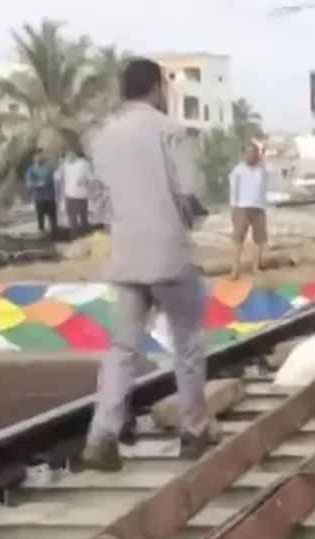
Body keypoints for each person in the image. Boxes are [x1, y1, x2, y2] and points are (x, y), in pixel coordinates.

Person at [79, 58, 217, 471]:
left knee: (122, 348)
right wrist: (189, 216)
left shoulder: (101, 138)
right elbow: (188, 190)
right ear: (157, 88)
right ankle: (194, 431)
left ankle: (101, 438)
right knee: (188, 342)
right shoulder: (170, 131)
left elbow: (96, 205)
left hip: (124, 255)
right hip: (168, 255)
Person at [228, 142, 268, 279]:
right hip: (242, 207)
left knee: (259, 239)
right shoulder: (238, 170)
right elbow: (234, 190)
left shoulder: (262, 168)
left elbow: (264, 154)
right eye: (248, 152)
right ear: (244, 154)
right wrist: (233, 208)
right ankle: (235, 270)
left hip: (259, 207)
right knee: (238, 239)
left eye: (253, 152)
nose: (250, 155)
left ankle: (256, 267)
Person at [58, 150, 93, 236]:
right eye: (66, 157)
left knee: (83, 218)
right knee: (73, 220)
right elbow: (58, 177)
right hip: (71, 196)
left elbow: (90, 178)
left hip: (81, 196)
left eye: (68, 157)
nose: (67, 158)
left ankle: (87, 237)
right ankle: (75, 238)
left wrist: (83, 180)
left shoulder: (83, 164)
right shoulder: (65, 165)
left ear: (74, 156)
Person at [24, 151, 58, 237]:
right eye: (36, 158)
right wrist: (38, 184)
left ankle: (55, 233)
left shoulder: (49, 168)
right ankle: (42, 233)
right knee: (40, 216)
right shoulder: (31, 170)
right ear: (33, 159)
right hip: (39, 197)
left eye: (40, 157)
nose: (38, 159)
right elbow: (29, 184)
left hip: (50, 196)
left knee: (53, 217)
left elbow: (55, 179)